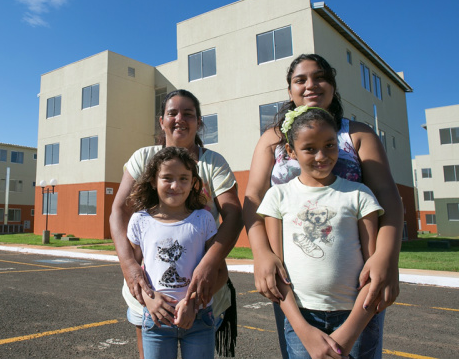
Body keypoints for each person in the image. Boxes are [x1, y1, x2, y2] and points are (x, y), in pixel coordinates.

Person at [244, 54, 403, 358]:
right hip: (297, 286)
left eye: (320, 77)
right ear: (289, 90)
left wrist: (386, 259)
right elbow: (253, 200)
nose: (310, 85)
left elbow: (389, 198)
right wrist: (262, 254)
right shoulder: (272, 139)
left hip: (355, 284)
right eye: (300, 80)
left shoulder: (358, 134)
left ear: (333, 85)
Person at [110, 89, 243, 358]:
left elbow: (234, 215)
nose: (179, 118)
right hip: (149, 296)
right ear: (161, 121)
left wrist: (208, 265)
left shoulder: (213, 162)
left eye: (188, 114)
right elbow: (119, 211)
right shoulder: (143, 158)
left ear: (199, 122)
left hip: (202, 295)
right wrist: (130, 267)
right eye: (172, 113)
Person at [258, 106, 383, 358]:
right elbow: (278, 272)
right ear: (291, 152)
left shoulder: (359, 194)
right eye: (309, 148)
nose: (321, 156)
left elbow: (374, 268)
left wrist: (350, 331)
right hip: (302, 316)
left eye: (329, 145)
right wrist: (302, 329)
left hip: (356, 317)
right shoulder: (277, 196)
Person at [127, 146, 220, 359]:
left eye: (183, 179)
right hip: (156, 319)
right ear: (153, 181)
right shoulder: (140, 221)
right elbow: (132, 275)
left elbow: (218, 271)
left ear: (193, 183)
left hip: (198, 318)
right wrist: (148, 301)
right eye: (167, 178)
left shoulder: (203, 220)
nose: (175, 185)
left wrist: (194, 304)